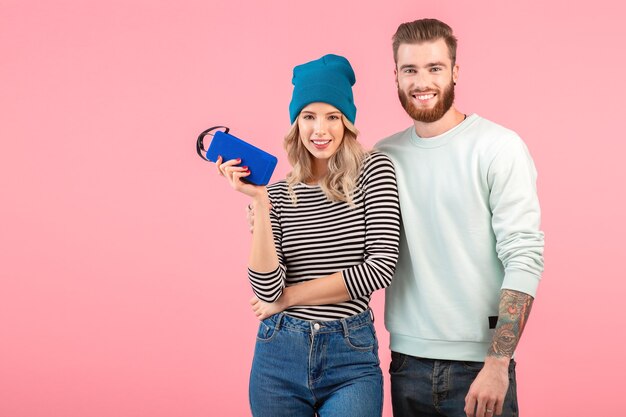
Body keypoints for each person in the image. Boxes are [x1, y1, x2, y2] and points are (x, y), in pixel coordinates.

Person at [375, 19, 545, 417]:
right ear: (395, 76)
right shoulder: (383, 156)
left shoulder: (498, 146)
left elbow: (524, 256)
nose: (422, 82)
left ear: (454, 71)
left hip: (481, 367)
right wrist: (265, 207)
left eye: (434, 68)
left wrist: (498, 362)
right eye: (410, 69)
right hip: (404, 364)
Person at [216, 54, 400, 417]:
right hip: (278, 356)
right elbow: (267, 291)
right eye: (309, 117)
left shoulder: (374, 171)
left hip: (350, 355)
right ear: (295, 123)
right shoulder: (279, 195)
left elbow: (380, 269)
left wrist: (288, 298)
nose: (321, 130)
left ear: (346, 121)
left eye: (333, 117)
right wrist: (261, 203)